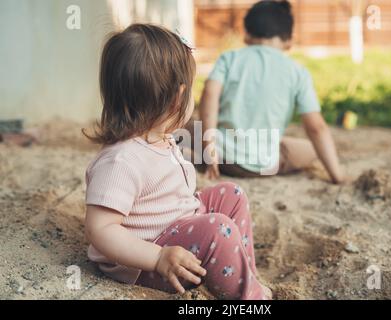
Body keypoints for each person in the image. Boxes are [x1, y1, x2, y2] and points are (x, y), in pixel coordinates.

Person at [83, 24, 271, 300]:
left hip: (176, 226)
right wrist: (157, 257)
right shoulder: (122, 161)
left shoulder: (160, 137)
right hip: (148, 258)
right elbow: (100, 229)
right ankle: (249, 299)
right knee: (218, 228)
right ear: (177, 100)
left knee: (231, 195)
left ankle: (246, 276)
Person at [198, 0, 346, 183]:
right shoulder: (297, 72)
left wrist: (209, 149)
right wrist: (337, 176)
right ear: (289, 40)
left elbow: (209, 95)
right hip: (263, 164)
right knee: (309, 149)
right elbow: (316, 127)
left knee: (188, 128)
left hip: (221, 155)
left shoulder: (229, 59)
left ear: (246, 35)